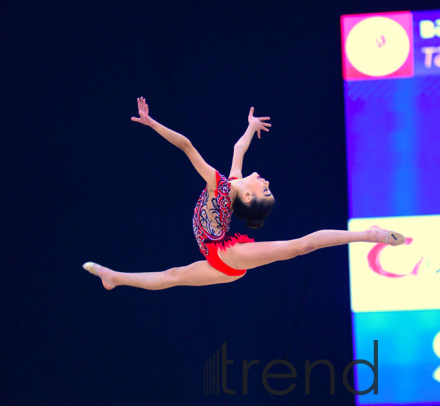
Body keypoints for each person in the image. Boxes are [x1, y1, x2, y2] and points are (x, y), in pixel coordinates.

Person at [83, 98, 405, 290]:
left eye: (264, 188)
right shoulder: (233, 181)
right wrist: (250, 126)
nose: (264, 180)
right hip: (216, 256)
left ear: (249, 199)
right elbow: (239, 148)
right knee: (172, 276)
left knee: (300, 247)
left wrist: (152, 123)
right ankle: (113, 278)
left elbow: (186, 146)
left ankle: (368, 234)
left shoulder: (219, 185)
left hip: (226, 256)